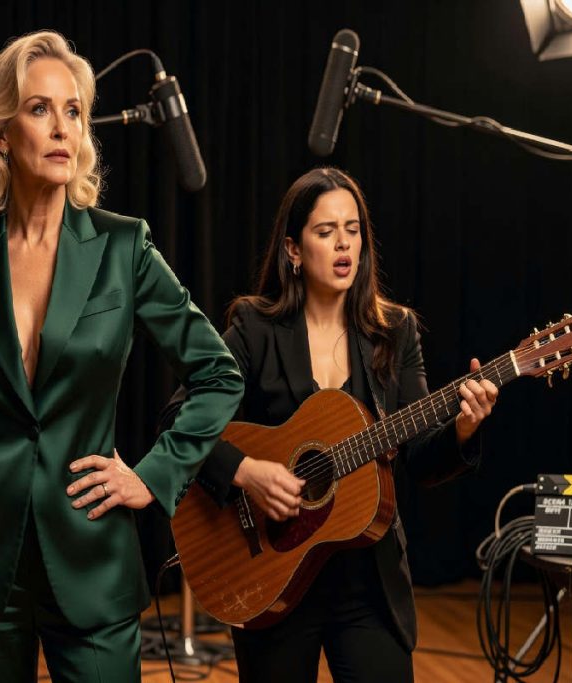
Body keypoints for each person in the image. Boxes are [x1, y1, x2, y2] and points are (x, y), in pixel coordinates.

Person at [0, 30, 243, 683]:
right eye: (40, 109)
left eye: (73, 110)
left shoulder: (125, 247)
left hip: (93, 556)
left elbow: (218, 373)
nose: (62, 127)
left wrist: (153, 475)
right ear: (1, 135)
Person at [161, 167, 498, 683]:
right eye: (326, 231)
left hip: (368, 583)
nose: (344, 244)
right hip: (269, 570)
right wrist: (247, 472)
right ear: (293, 250)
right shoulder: (255, 328)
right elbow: (179, 417)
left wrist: (463, 430)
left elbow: (418, 459)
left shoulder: (395, 332)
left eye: (353, 229)